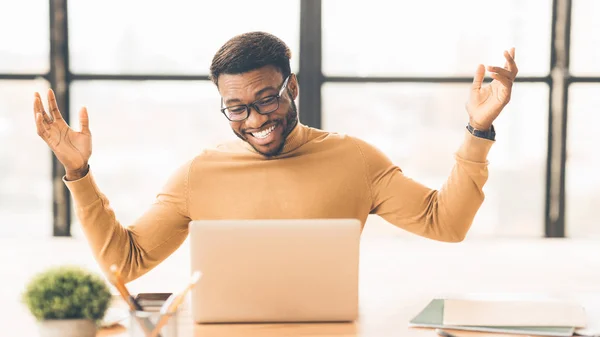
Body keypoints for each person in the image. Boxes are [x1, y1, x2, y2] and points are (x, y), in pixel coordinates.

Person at [33, 32, 518, 283]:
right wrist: (78, 172)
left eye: (268, 99)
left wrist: (478, 129)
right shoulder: (197, 174)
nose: (255, 119)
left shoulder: (355, 159)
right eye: (236, 108)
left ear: (293, 86)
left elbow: (446, 224)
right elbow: (127, 262)